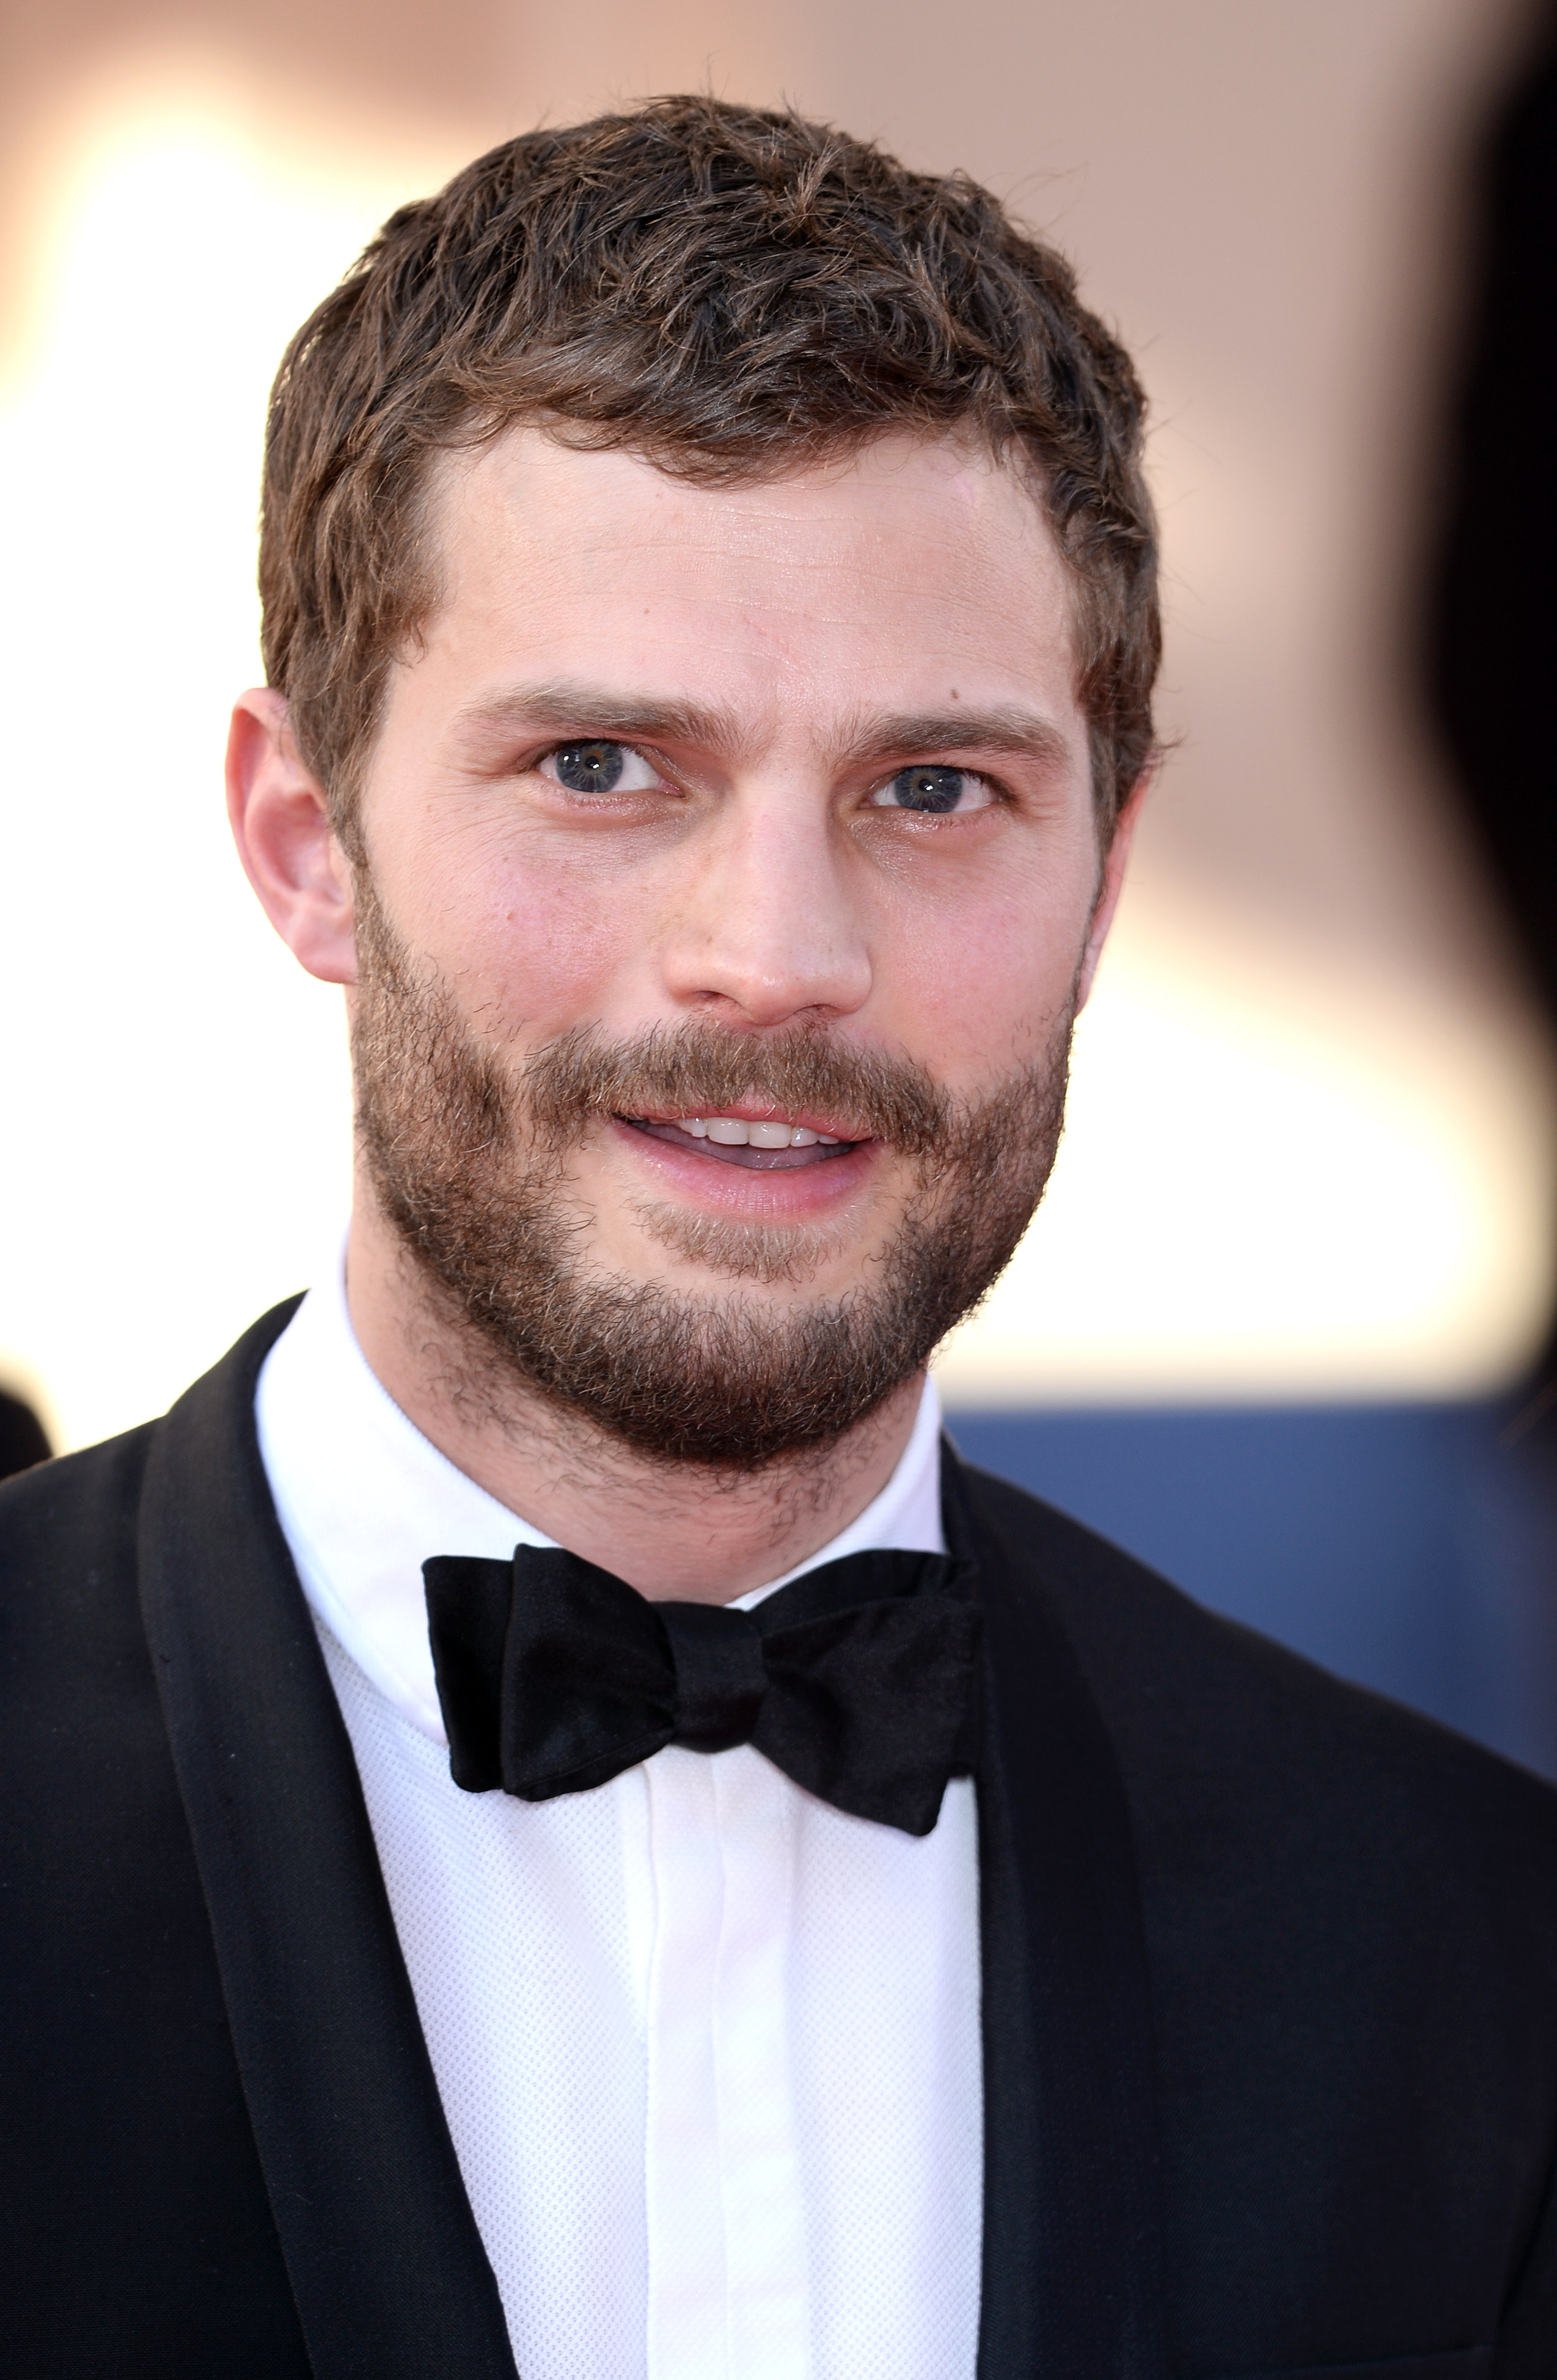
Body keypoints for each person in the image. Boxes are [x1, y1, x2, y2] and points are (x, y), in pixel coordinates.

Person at [1, 97, 1552, 2380]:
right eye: (602, 767)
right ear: (308, 839)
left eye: (932, 789)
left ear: (1102, 882)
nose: (777, 957)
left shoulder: (1466, 1967)